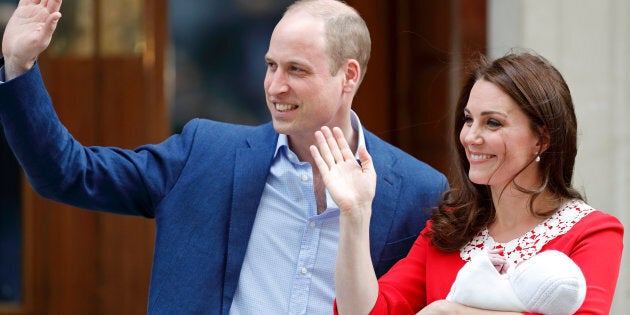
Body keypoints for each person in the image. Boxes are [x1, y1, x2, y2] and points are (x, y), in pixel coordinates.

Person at [0, 0, 448, 313]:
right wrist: (19, 66)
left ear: (348, 75)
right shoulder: (205, 154)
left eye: (296, 70)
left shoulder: (416, 190)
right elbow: (68, 173)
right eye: (271, 66)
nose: (275, 87)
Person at [310, 52, 623, 314]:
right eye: (468, 119)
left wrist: (450, 311)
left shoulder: (593, 232)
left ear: (541, 139)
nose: (470, 137)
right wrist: (355, 213)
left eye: (493, 122)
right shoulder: (447, 228)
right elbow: (368, 311)